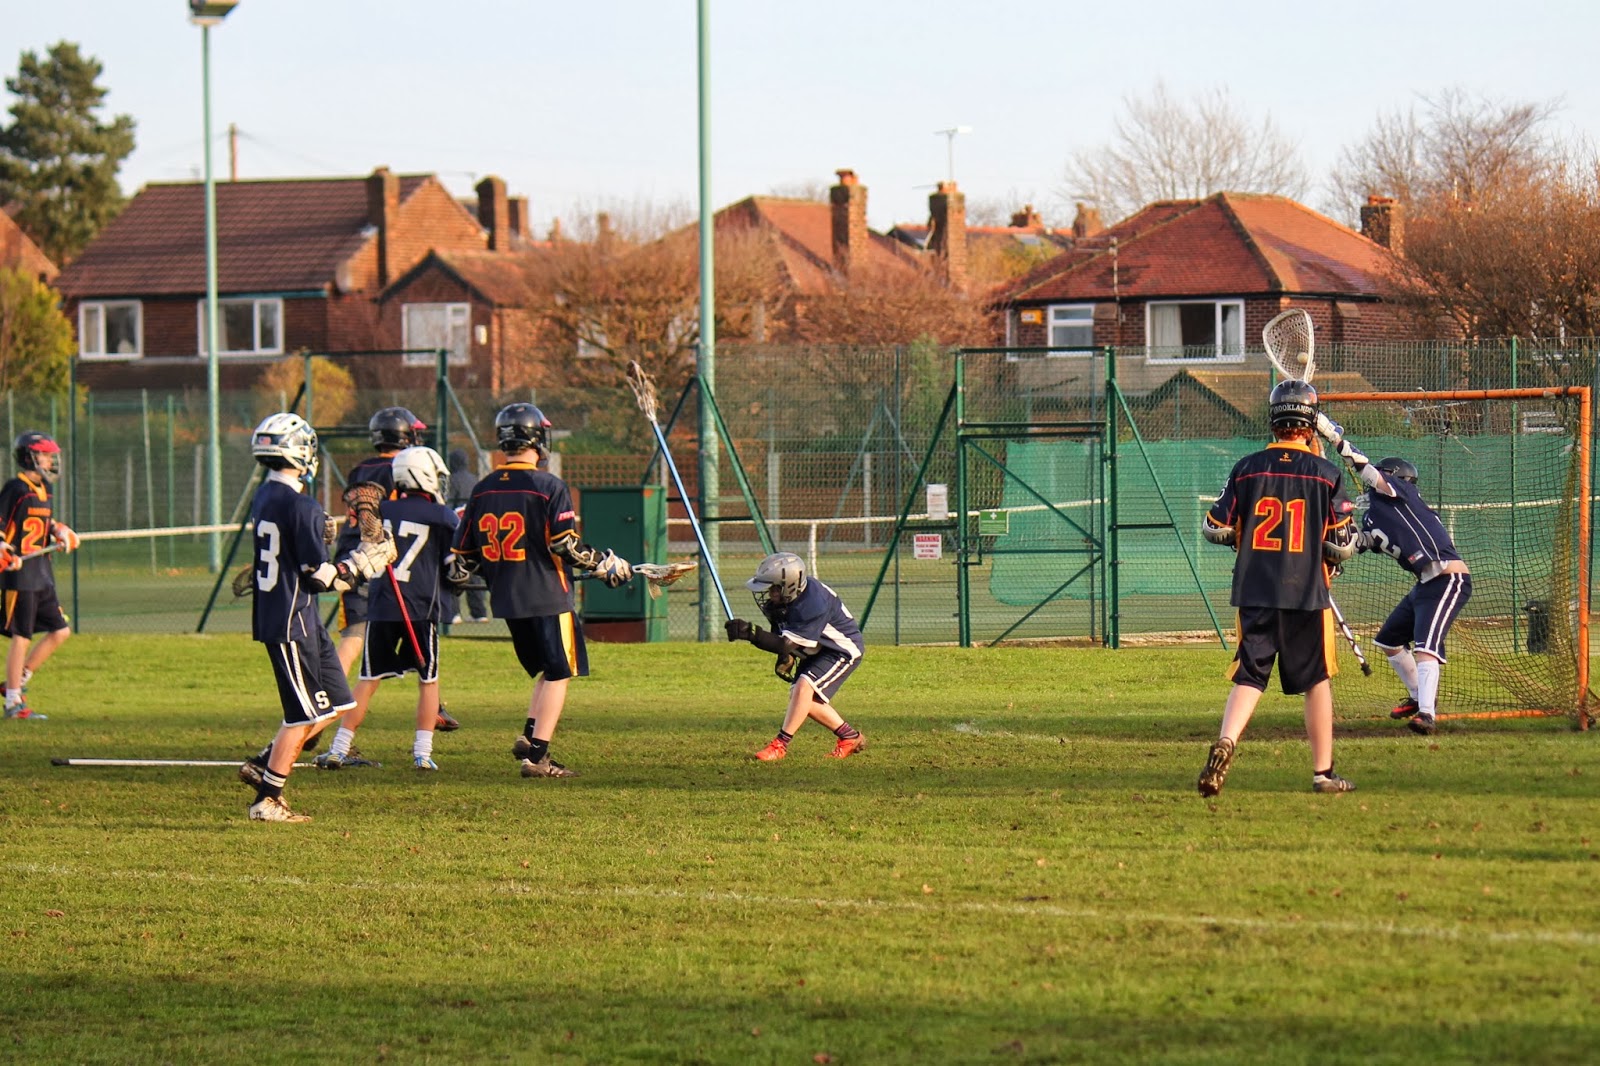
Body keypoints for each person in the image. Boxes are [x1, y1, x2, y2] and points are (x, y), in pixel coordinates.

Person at [448, 402, 631, 779]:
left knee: (548, 670)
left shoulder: (482, 490)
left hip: (506, 600)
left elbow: (464, 558)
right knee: (561, 672)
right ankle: (538, 757)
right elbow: (564, 544)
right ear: (537, 439)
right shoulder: (549, 486)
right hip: (547, 595)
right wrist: (602, 564)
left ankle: (530, 738)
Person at [1196, 380, 1358, 797]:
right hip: (1306, 592)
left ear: (1273, 421)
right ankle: (1323, 774)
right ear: (1310, 425)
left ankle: (1226, 742)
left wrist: (1242, 536)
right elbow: (1342, 546)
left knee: (1250, 676)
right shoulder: (1326, 474)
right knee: (1316, 680)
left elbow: (1213, 527)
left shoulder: (1247, 468)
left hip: (1255, 588)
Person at [238, 413, 394, 822]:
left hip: (300, 616)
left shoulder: (266, 495)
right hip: (290, 619)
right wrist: (361, 562)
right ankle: (267, 799)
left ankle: (264, 763)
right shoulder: (300, 504)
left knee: (337, 703)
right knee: (304, 714)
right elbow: (320, 577)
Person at [1316, 435, 1472, 737]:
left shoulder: (1403, 494)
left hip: (1448, 579)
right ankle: (1418, 696)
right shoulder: (1378, 515)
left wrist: (1333, 436)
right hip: (1425, 584)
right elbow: (1356, 543)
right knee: (1389, 640)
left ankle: (1427, 714)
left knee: (1426, 647)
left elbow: (1363, 467)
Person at [323, 406, 458, 752]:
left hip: (355, 562)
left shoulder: (361, 470)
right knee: (397, 659)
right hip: (397, 575)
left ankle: (328, 716)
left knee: (358, 648)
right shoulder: (408, 477)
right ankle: (324, 709)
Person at [726, 551, 866, 761]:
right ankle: (849, 737)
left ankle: (780, 745)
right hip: (817, 648)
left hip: (841, 649)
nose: (770, 593)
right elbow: (782, 637)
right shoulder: (787, 600)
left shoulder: (813, 604)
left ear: (789, 586)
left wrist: (750, 633)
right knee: (800, 699)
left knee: (803, 687)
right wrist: (785, 656)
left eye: (774, 588)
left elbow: (785, 643)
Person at [0, 432, 77, 720]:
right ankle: (13, 703)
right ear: (29, 458)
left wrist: (59, 531)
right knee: (22, 636)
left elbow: (43, 523)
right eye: (44, 455)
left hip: (42, 573)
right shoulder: (15, 488)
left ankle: (15, 681)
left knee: (60, 631)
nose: (49, 461)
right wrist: (2, 548)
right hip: (19, 576)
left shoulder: (45, 488)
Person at [445, 448, 489, 623]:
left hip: (456, 527)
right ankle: (479, 613)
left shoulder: (451, 480)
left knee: (454, 568)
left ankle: (454, 613)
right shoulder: (475, 480)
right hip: (474, 527)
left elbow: (448, 504)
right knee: (474, 568)